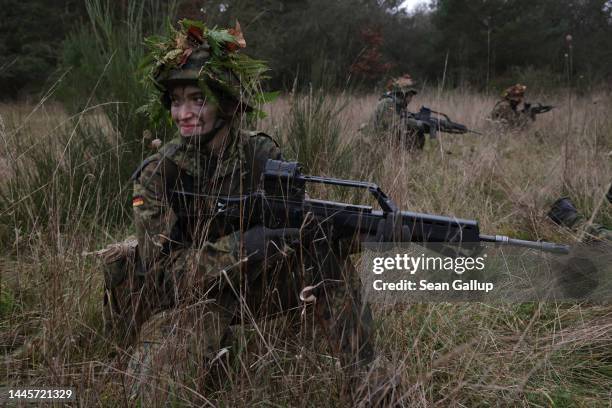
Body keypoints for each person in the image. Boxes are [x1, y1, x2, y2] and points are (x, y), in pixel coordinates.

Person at [100, 19, 379, 403]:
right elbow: (164, 276)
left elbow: (292, 234)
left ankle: (373, 390)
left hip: (253, 287)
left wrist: (332, 235)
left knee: (330, 262)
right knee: (154, 390)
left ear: (227, 104)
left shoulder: (261, 156)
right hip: (192, 302)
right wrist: (244, 245)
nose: (183, 113)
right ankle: (217, 352)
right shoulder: (158, 174)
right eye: (176, 101)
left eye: (197, 99)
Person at [369, 74, 423, 150]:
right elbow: (393, 124)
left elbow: (406, 119)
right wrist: (417, 123)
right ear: (402, 94)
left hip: (387, 141)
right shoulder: (388, 102)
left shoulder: (400, 105)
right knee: (408, 131)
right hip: (377, 143)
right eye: (409, 96)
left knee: (416, 133)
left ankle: (412, 157)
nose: (410, 99)